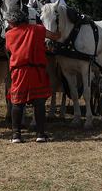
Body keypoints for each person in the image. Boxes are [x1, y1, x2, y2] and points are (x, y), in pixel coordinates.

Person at [5, 11, 60, 143]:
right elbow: (54, 36)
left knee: (17, 103)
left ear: (13, 22)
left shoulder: (9, 34)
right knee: (39, 102)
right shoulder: (39, 29)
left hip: (19, 72)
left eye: (9, 22)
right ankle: (40, 134)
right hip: (37, 70)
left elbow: (8, 50)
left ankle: (16, 135)